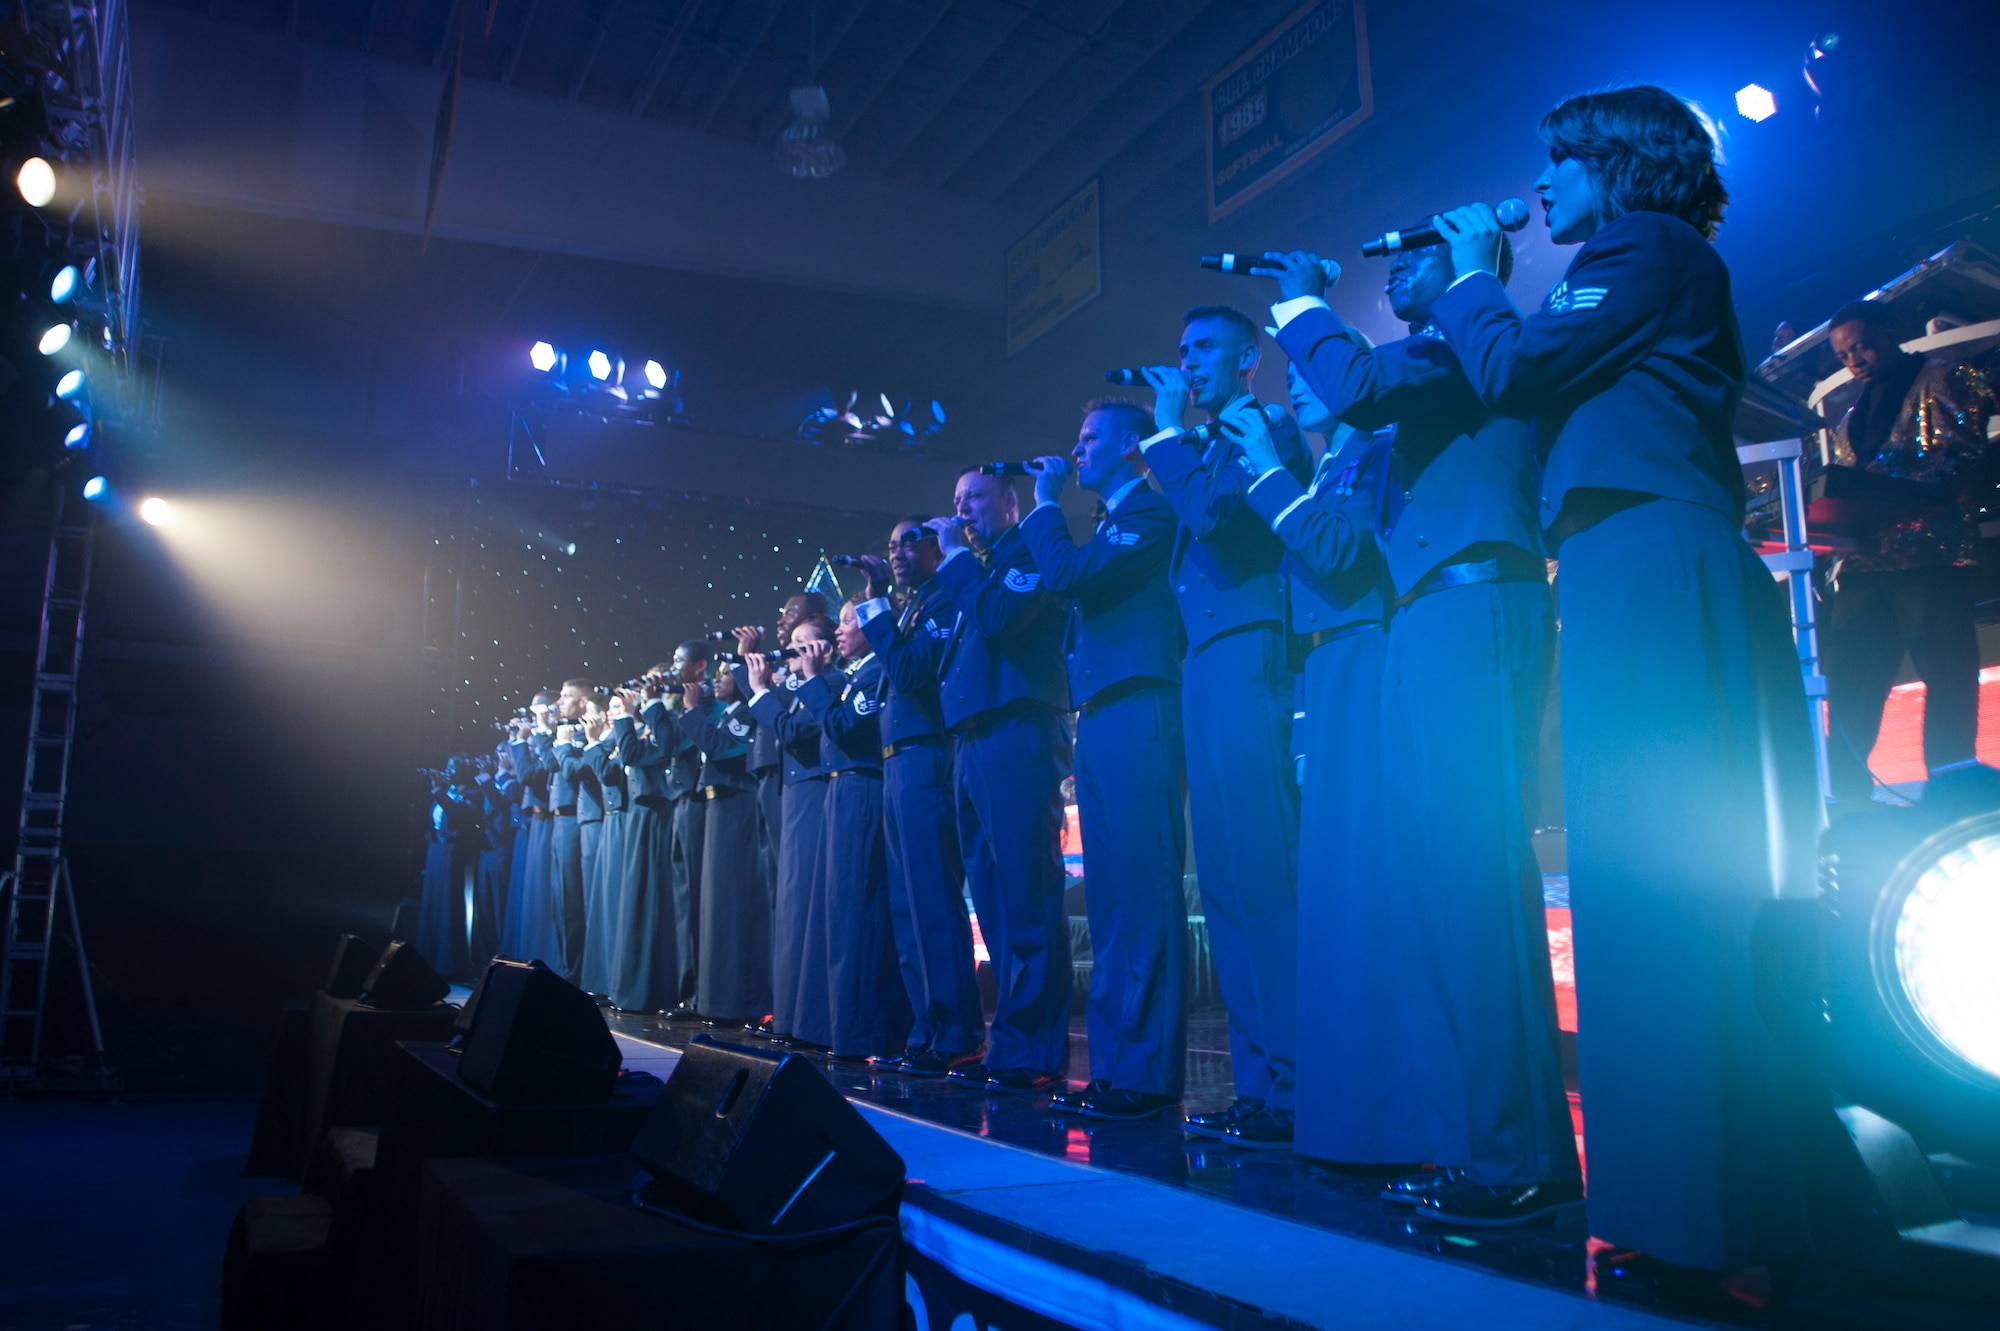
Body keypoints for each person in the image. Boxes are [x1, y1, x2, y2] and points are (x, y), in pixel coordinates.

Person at [1429, 85, 1817, 1271]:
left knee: (1650, 882)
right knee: (1634, 883)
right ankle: (1678, 1208)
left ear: (1619, 164)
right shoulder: (1636, 256)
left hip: (1649, 551)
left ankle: (1690, 1214)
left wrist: (1466, 275)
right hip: (1619, 556)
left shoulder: (1641, 244)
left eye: (1559, 161)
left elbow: (1514, 366)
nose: (1539, 181)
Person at [1256, 236, 1576, 1206]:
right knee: (1447, 890)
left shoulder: (1457, 350)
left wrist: (1298, 303)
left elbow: (1350, 384)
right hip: (1428, 613)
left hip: (1467, 604)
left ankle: (1507, 1158)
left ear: (1471, 267)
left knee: (1468, 886)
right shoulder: (1434, 373)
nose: (1393, 269)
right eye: (1389, 262)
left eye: (1420, 254)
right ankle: (1483, 1146)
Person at [1137, 306, 1310, 1146]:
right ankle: (1261, 1082)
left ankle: (1299, 1078)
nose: (1186, 359)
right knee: (1232, 886)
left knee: (1262, 873)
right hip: (1205, 660)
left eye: (1202, 346)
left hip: (1248, 648)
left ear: (1248, 357)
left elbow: (1217, 521)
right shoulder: (1205, 444)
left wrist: (1167, 434)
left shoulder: (1262, 425)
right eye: (1181, 347)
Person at [1221, 358, 1400, 1160]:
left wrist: (1264, 470)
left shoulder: (1374, 446)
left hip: (1365, 653)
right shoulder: (1328, 461)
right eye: (1288, 370)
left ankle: (1381, 1107)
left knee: (1361, 888)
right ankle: (1344, 1104)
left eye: (1314, 367)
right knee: (1328, 891)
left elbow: (1339, 552)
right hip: (1321, 663)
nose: (1295, 382)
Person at [1017, 400, 1189, 1123]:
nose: (1077, 448)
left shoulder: (1148, 512)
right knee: (1114, 897)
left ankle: (1146, 1075)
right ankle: (1120, 1068)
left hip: (1140, 705)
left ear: (1132, 446)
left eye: (1091, 437)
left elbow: (1068, 574)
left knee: (1143, 893)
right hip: (1103, 711)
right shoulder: (1114, 520)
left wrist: (1042, 507)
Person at [924, 470, 1072, 1094]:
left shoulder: (1024, 552)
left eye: (975, 499)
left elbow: (1001, 619)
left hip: (1017, 732)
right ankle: (1011, 1041)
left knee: (1026, 897)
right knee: (992, 899)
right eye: (956, 502)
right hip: (975, 740)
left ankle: (1034, 1047)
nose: (962, 511)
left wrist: (957, 560)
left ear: (1010, 503)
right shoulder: (977, 569)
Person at [1821, 300, 1999, 804]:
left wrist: (1890, 499)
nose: (1855, 360)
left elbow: (1966, 461)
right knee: (1851, 681)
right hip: (1865, 566)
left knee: (1946, 678)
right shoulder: (1851, 415)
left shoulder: (1945, 376)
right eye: (1843, 355)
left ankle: (1953, 794)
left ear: (1890, 331)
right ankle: (1843, 798)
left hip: (1933, 558)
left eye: (1860, 346)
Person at [852, 522, 987, 1076]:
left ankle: (958, 1031)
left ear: (938, 547)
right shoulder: (910, 610)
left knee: (933, 898)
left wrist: (879, 607)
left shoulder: (941, 601)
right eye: (890, 546)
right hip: (897, 762)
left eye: (909, 542)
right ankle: (928, 1028)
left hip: (928, 755)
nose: (897, 553)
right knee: (908, 907)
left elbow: (909, 671)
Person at [790, 601, 912, 1060]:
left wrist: (814, 679)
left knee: (858, 911)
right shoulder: (858, 672)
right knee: (841, 913)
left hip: (862, 788)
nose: (839, 631)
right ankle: (845, 1028)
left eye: (848, 621)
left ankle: (861, 1034)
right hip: (843, 791)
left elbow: (844, 727)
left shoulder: (874, 669)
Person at [748, 614, 836, 1049]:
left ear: (825, 649)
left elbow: (792, 732)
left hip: (815, 796)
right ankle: (791, 1012)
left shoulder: (829, 683)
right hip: (796, 796)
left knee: (808, 904)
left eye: (804, 645)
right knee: (792, 907)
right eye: (793, 644)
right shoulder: (802, 689)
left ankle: (811, 1016)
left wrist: (762, 691)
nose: (794, 652)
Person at [682, 661, 772, 1026]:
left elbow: (723, 749)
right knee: (716, 906)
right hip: (718, 805)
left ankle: (738, 1001)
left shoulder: (748, 711)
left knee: (733, 905)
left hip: (738, 804)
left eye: (725, 673)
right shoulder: (726, 712)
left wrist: (691, 712)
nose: (717, 679)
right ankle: (714, 997)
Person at [609, 664, 690, 1014]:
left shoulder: (674, 722)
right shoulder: (653, 724)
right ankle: (633, 988)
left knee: (654, 901)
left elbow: (634, 755)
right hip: (644, 813)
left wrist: (627, 718)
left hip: (661, 813)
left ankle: (655, 990)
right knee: (638, 900)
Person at [542, 678, 598, 983]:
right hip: (562, 817)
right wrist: (544, 731)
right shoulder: (566, 730)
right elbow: (550, 762)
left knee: (575, 899)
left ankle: (576, 972)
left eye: (566, 696)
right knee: (562, 900)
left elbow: (565, 767)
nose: (560, 702)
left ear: (584, 700)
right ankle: (568, 968)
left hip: (577, 819)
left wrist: (561, 740)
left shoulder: (586, 730)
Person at [415, 757, 483, 978]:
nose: (447, 771)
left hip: (454, 853)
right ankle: (427, 956)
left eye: (453, 768)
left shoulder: (472, 794)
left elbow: (458, 813)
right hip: (437, 851)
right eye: (447, 767)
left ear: (464, 771)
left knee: (447, 904)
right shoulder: (448, 791)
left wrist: (438, 791)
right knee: (432, 904)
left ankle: (448, 962)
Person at [580, 693, 629, 997]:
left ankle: (616, 979)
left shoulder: (624, 738)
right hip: (611, 820)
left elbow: (610, 775)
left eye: (616, 708)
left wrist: (592, 741)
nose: (610, 714)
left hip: (624, 820)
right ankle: (602, 980)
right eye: (610, 708)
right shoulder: (611, 739)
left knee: (616, 901)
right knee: (604, 903)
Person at [503, 691, 557, 965]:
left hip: (550, 819)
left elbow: (527, 775)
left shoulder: (553, 738)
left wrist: (521, 742)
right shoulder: (539, 740)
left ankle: (544, 960)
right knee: (531, 896)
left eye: (538, 712)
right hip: (536, 821)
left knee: (544, 893)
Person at [470, 744, 517, 969]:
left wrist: (492, 777)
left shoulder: (511, 780)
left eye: (503, 754)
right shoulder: (492, 780)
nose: (500, 759)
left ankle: (502, 957)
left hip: (502, 850)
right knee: (485, 905)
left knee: (499, 904)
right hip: (487, 849)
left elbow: (502, 803)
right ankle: (484, 958)